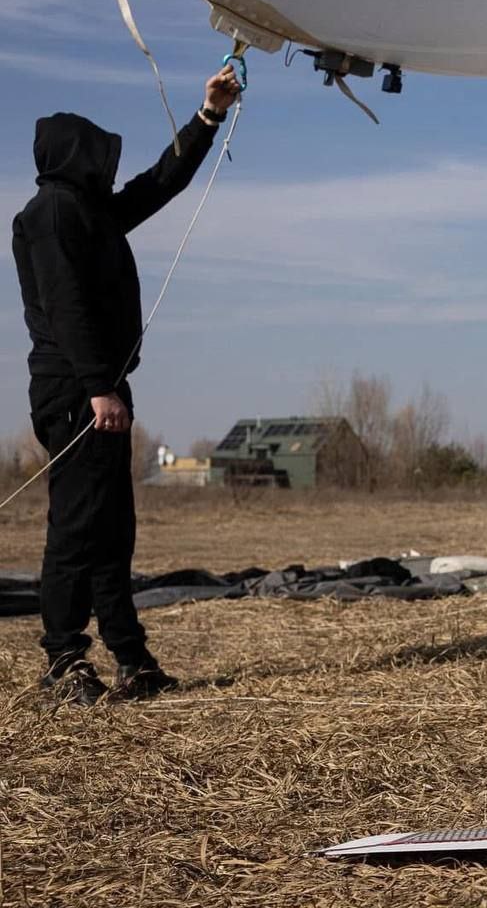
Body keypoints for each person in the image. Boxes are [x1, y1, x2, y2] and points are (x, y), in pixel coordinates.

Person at [11, 65, 242, 705]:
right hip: (77, 392)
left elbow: (159, 184)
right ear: (73, 154)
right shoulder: (51, 213)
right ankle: (62, 659)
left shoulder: (89, 212)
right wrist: (97, 389)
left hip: (100, 388)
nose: (107, 163)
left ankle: (131, 658)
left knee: (114, 529)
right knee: (78, 526)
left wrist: (208, 117)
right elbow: (67, 307)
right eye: (98, 152)